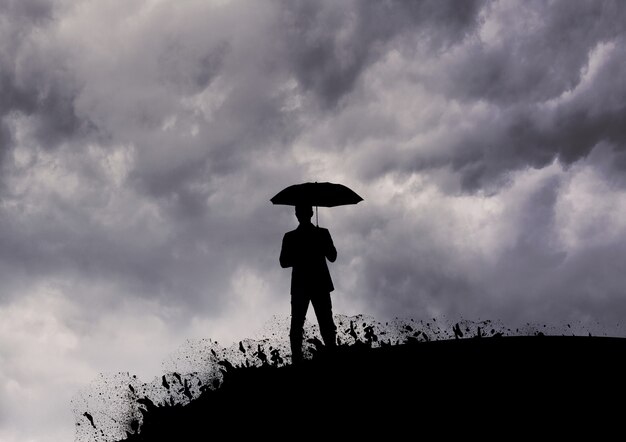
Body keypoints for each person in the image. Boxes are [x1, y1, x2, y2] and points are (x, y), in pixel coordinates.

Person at [280, 204, 337, 363]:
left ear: (297, 214)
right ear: (312, 213)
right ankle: (332, 352)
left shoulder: (290, 236)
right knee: (324, 322)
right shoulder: (322, 233)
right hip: (318, 284)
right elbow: (333, 256)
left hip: (301, 285)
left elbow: (284, 262)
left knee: (299, 324)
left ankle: (297, 359)